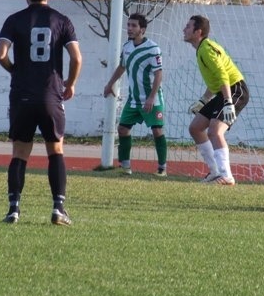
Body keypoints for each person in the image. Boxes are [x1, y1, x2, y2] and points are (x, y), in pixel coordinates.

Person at [0, 0, 82, 226]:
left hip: (22, 94)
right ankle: (58, 208)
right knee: (55, 149)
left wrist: (15, 70)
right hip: (50, 94)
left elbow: (0, 53)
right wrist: (70, 83)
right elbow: (77, 58)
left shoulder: (14, 20)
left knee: (20, 152)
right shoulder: (61, 20)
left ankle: (13, 209)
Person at [183, 15, 249, 186]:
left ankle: (226, 176)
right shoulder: (202, 48)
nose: (184, 29)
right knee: (196, 128)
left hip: (235, 90)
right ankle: (215, 172)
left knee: (215, 131)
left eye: (188, 27)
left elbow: (222, 75)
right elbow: (215, 81)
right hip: (224, 91)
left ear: (198, 32)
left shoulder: (206, 49)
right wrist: (204, 100)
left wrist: (228, 102)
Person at [103, 13, 168, 176]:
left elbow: (159, 74)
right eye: (129, 25)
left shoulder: (153, 49)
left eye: (134, 26)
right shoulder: (126, 47)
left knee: (157, 131)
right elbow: (122, 67)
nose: (129, 28)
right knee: (123, 129)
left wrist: (151, 98)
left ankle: (162, 169)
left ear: (142, 29)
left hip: (152, 99)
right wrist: (110, 84)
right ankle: (125, 167)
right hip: (133, 100)